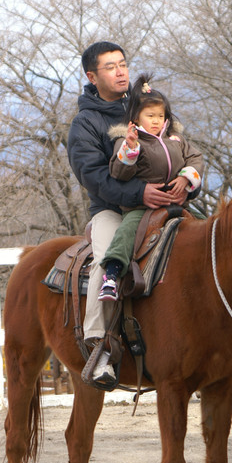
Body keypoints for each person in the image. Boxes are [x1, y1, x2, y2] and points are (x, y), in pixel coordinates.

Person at [67, 43, 190, 388]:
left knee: (213, 245)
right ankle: (100, 347)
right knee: (107, 260)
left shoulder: (146, 106)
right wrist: (139, 193)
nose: (121, 72)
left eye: (122, 64)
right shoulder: (85, 124)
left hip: (165, 203)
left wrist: (185, 182)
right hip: (112, 211)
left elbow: (179, 148)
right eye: (110, 67)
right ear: (92, 77)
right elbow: (93, 177)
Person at [97, 73, 203, 301]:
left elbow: (195, 158)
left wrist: (186, 179)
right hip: (141, 208)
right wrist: (130, 150)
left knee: (208, 226)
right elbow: (119, 172)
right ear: (136, 117)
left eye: (160, 115)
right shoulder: (127, 141)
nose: (156, 121)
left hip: (177, 203)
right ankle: (112, 275)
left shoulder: (176, 139)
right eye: (150, 115)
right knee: (126, 233)